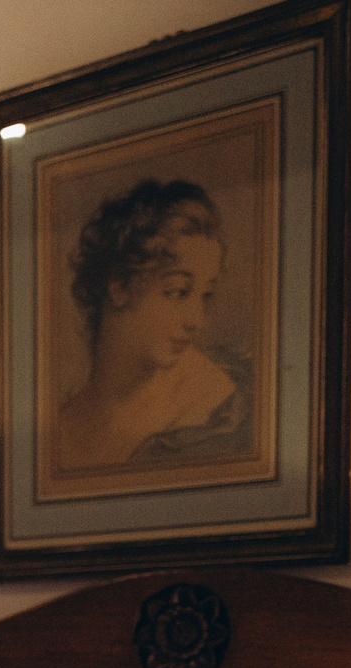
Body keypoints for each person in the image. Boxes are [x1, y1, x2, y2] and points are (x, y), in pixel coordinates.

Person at [51, 179, 253, 475]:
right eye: (177, 292)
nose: (196, 320)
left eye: (205, 295)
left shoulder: (219, 408)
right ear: (120, 287)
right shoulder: (59, 429)